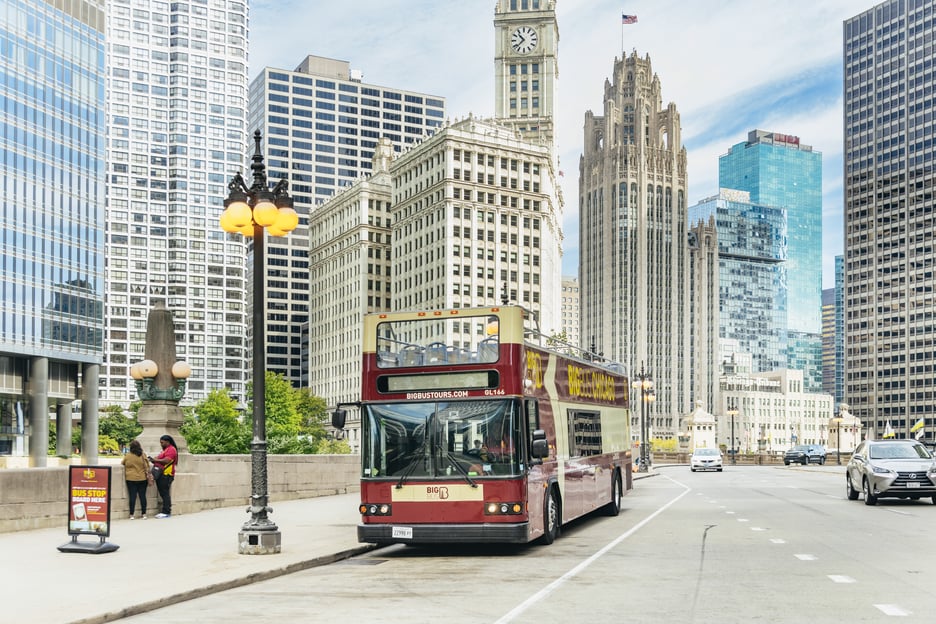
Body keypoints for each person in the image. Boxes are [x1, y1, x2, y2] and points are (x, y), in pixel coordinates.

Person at [150, 434, 179, 519]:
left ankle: (166, 511)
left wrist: (155, 460)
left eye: (162, 442)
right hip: (162, 474)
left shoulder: (171, 450)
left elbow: (167, 460)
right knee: (163, 493)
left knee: (165, 493)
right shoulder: (165, 450)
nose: (161, 444)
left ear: (167, 442)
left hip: (167, 474)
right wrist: (154, 460)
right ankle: (165, 511)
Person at [121, 440, 149, 519]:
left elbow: (123, 463)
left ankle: (131, 514)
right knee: (142, 496)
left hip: (131, 478)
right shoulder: (143, 455)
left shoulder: (128, 456)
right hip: (142, 478)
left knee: (132, 496)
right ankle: (144, 514)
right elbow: (147, 466)